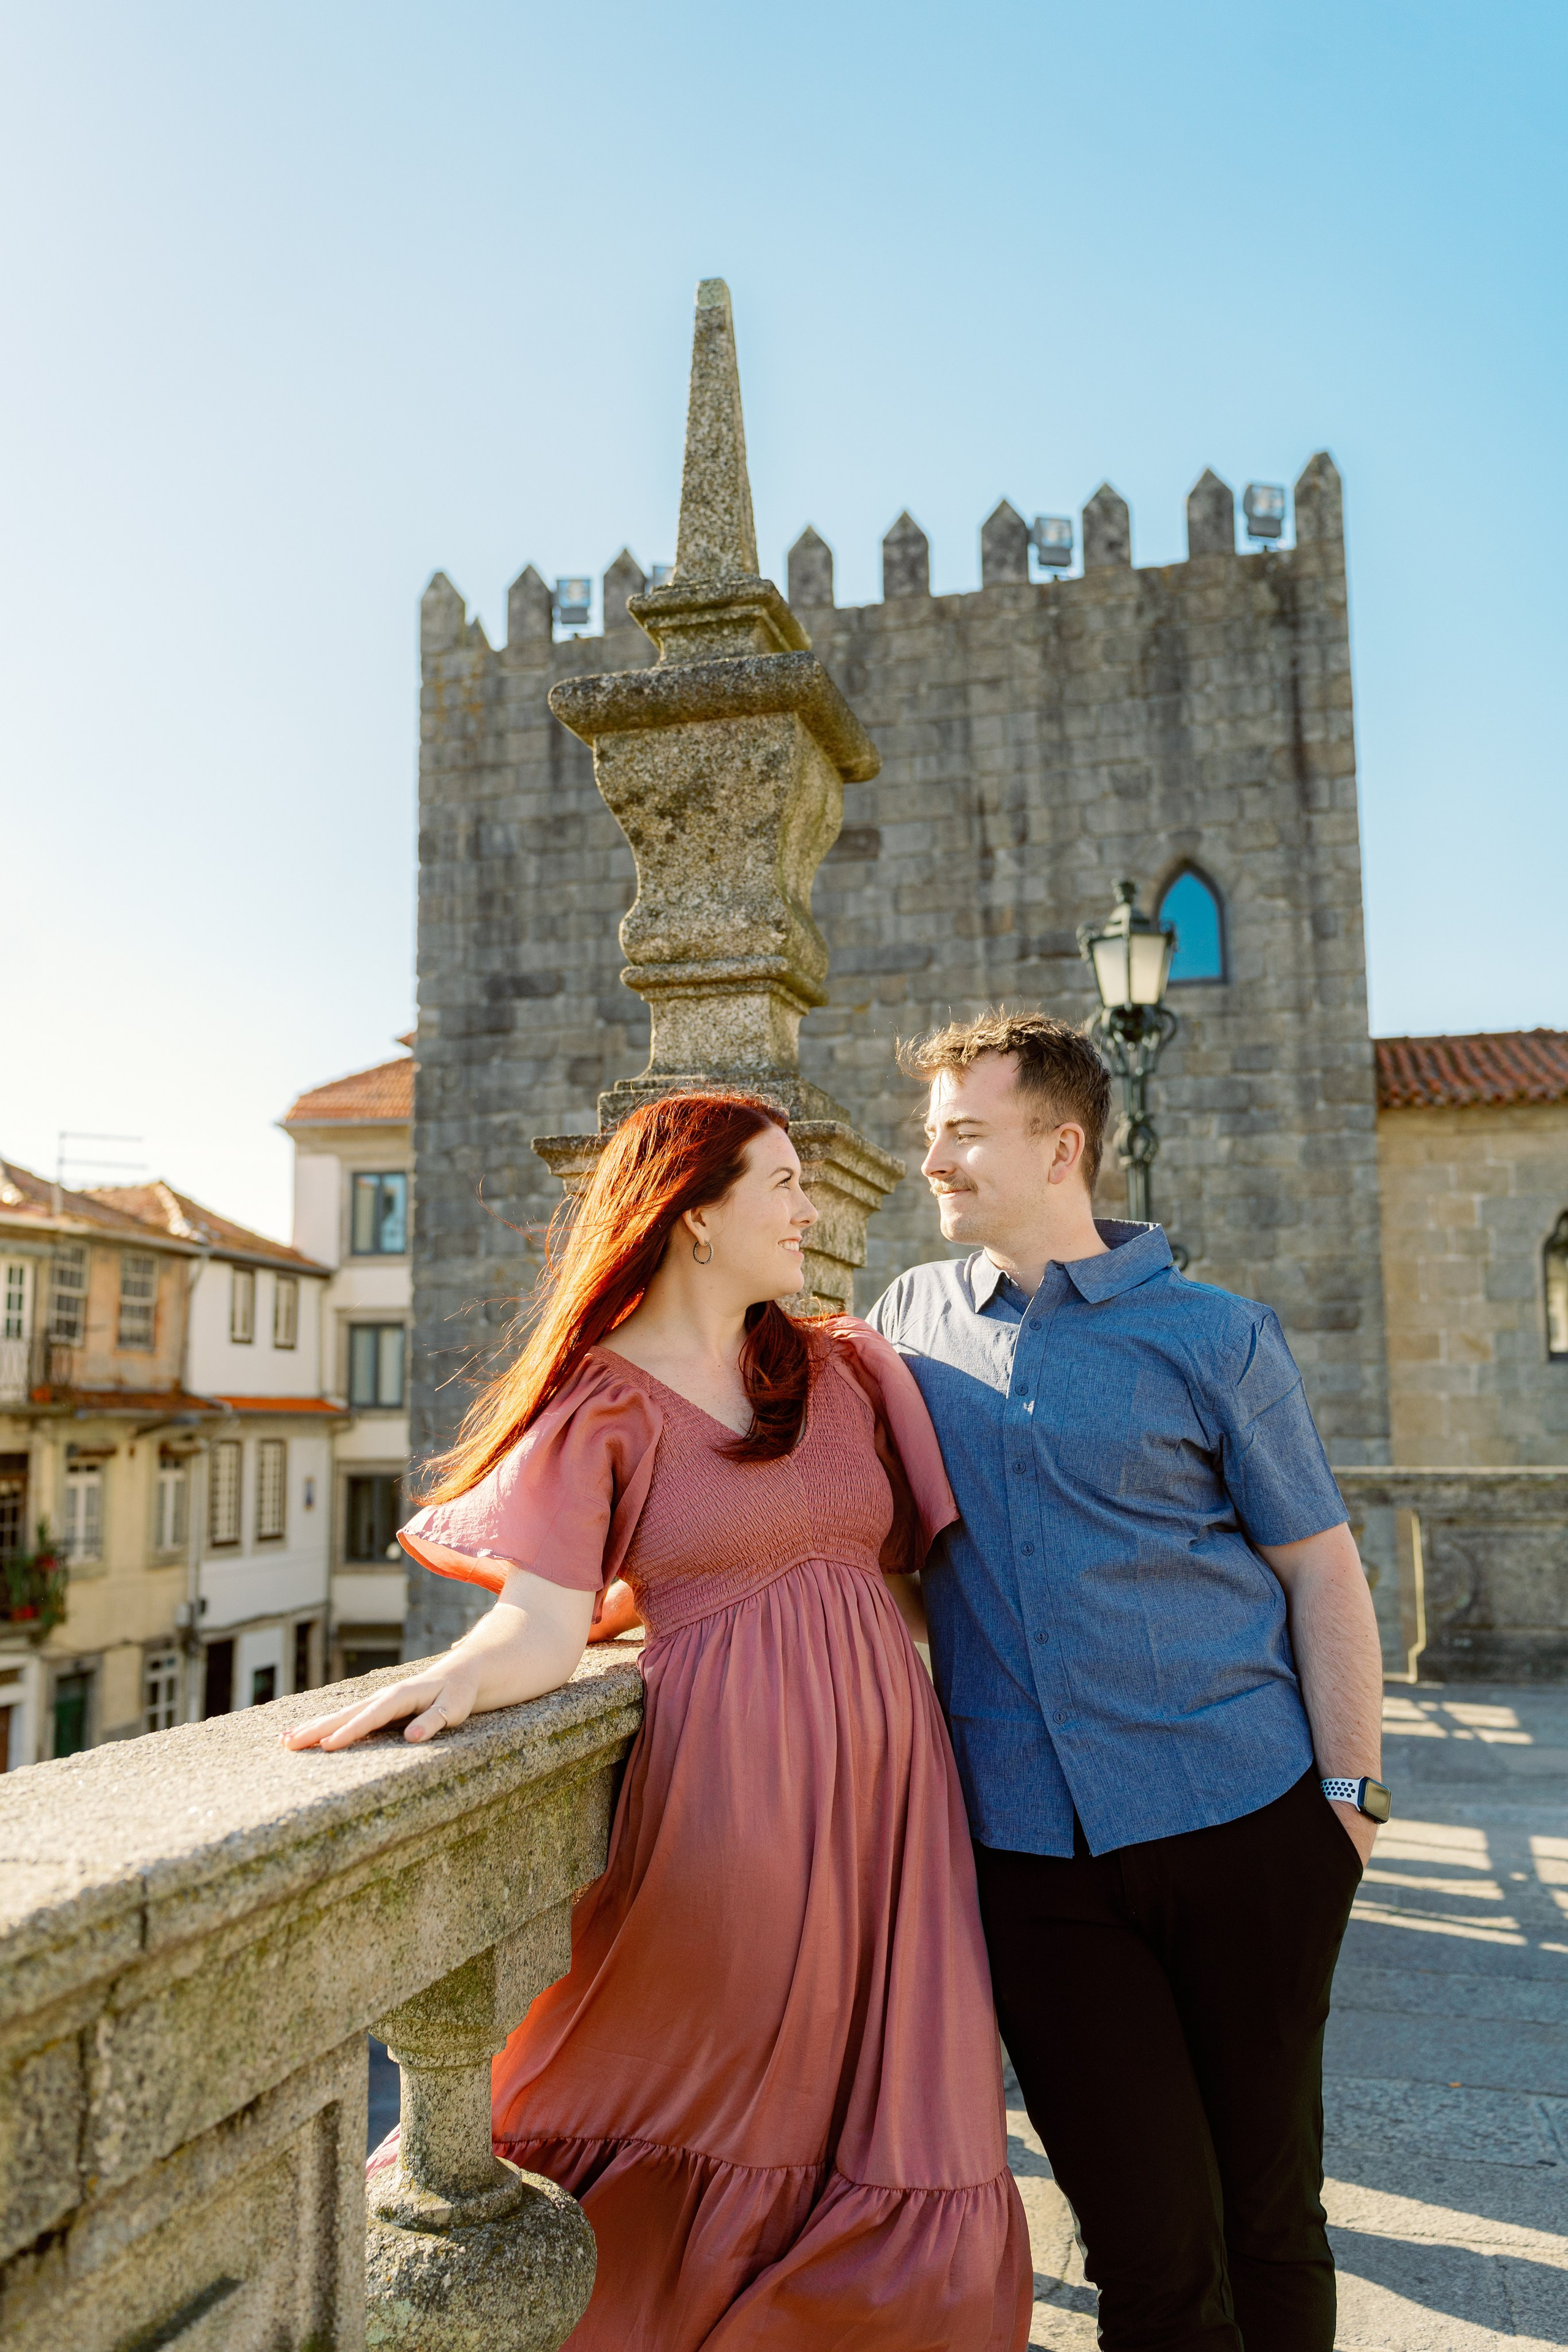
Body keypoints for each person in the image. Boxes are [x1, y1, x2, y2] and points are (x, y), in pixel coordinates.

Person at [286, 1089, 1031, 2352]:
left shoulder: (846, 1370)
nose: (811, 1206)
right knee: (702, 2095)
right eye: (782, 1182)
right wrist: (453, 1680)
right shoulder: (604, 1407)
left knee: (892, 2118)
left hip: (893, 1821)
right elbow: (540, 1624)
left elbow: (916, 1587)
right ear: (692, 1214)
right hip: (724, 1814)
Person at [866, 1011, 1389, 2352]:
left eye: (963, 1132)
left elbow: (1319, 1568)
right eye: (930, 1132)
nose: (932, 1160)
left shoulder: (1214, 1335)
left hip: (1246, 1821)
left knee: (1269, 2211)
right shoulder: (903, 1326)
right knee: (1147, 2246)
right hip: (1033, 1860)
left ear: (1061, 1146)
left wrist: (1344, 1800)